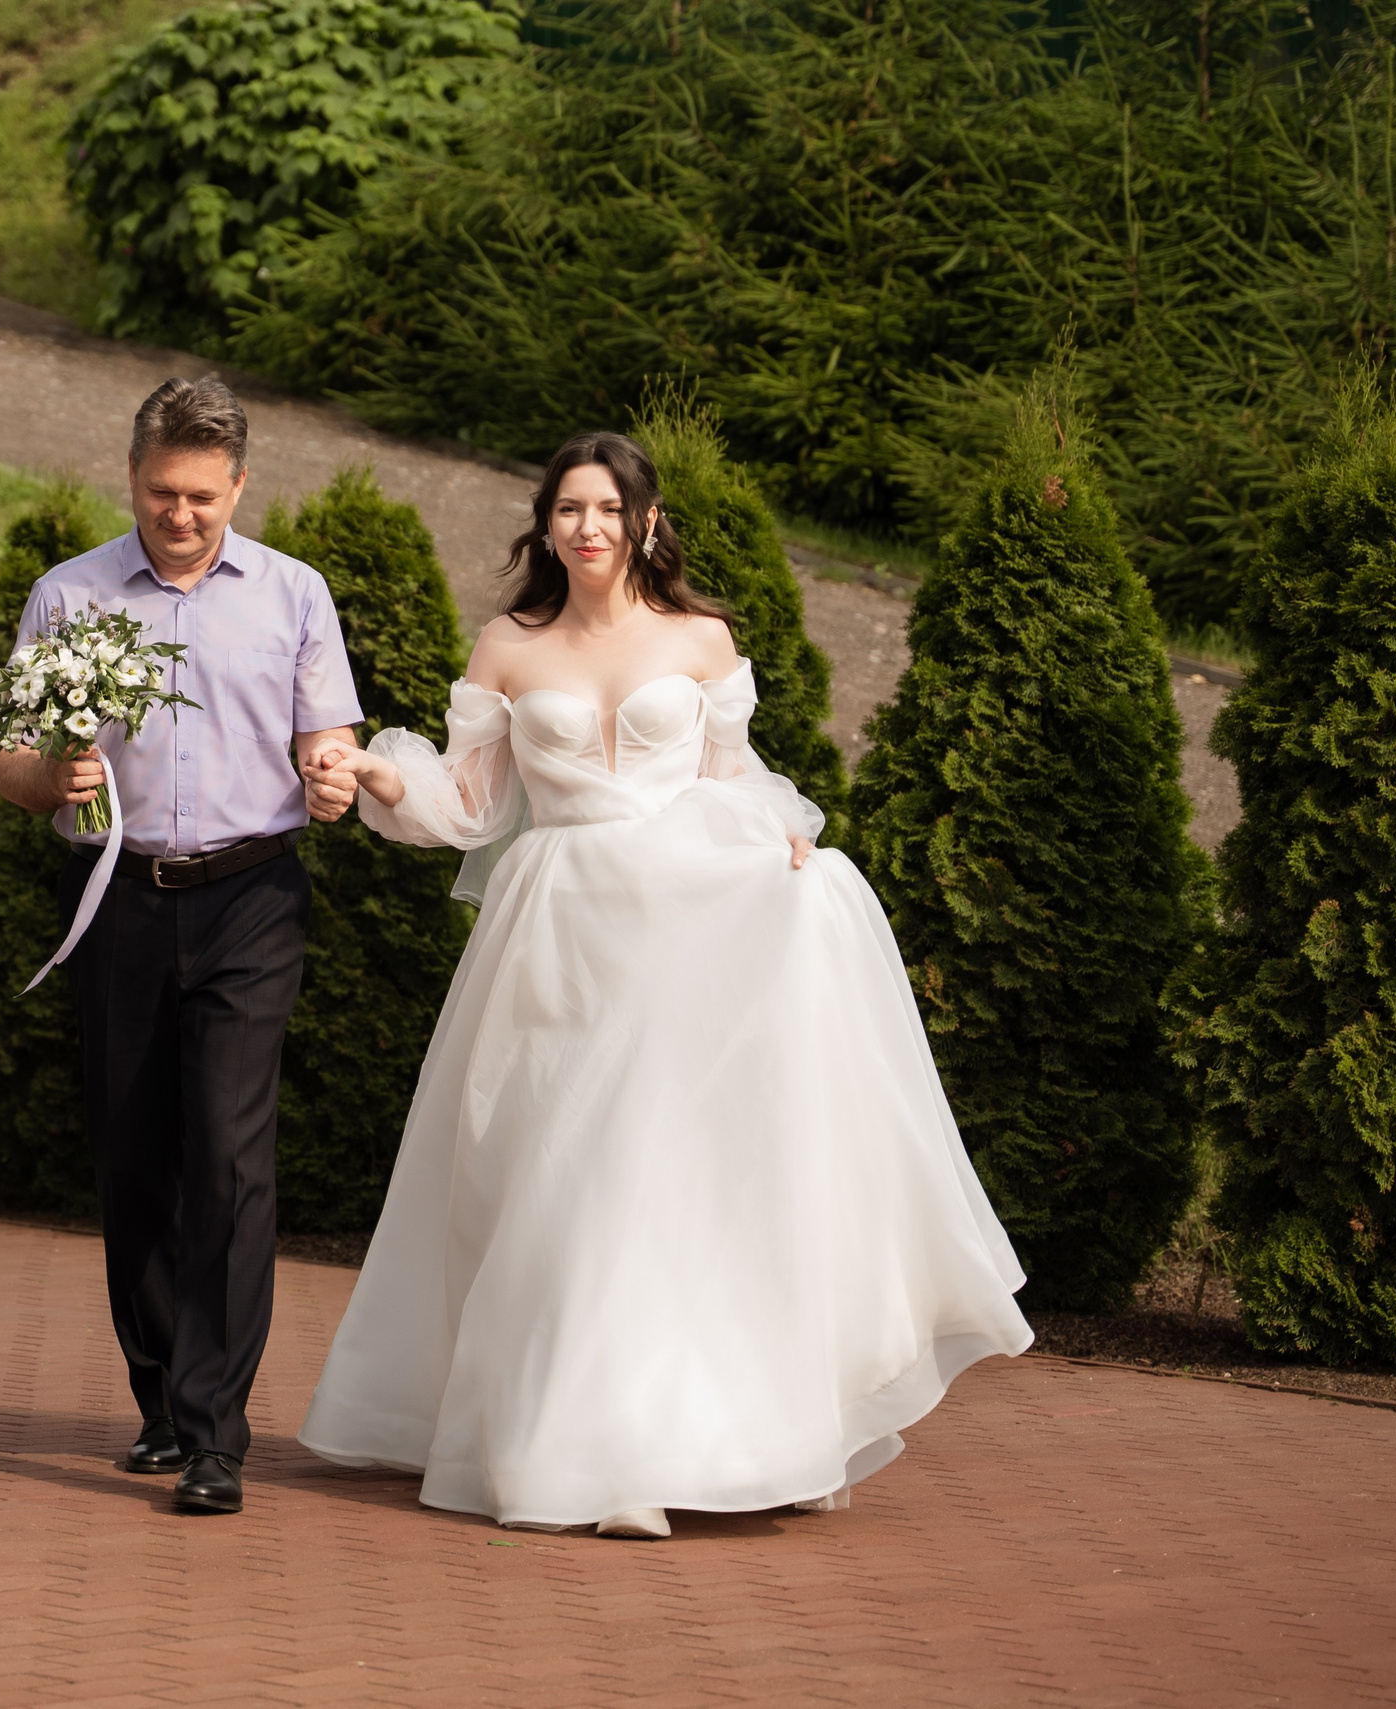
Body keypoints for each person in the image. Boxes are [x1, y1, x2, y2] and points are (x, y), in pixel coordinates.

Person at [295, 432, 1032, 1539]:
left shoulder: (701, 637)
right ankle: (587, 1447)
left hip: (686, 923)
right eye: (565, 509)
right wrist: (383, 772)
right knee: (564, 1176)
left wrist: (785, 837)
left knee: (669, 1176)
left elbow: (733, 777)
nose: (584, 526)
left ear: (644, 521)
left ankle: (728, 1435)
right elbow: (469, 803)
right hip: (556, 928)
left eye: (605, 508)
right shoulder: (508, 642)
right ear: (544, 525)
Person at [0, 377, 363, 1516]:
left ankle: (215, 1431)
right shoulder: (69, 596)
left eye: (204, 495)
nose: (183, 514)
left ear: (239, 486)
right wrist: (45, 776)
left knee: (230, 1156)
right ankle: (159, 1396)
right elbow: (7, 761)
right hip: (117, 894)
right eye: (163, 491)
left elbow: (329, 736)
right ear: (134, 476)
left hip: (251, 894)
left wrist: (337, 775)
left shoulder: (295, 595)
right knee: (134, 1153)